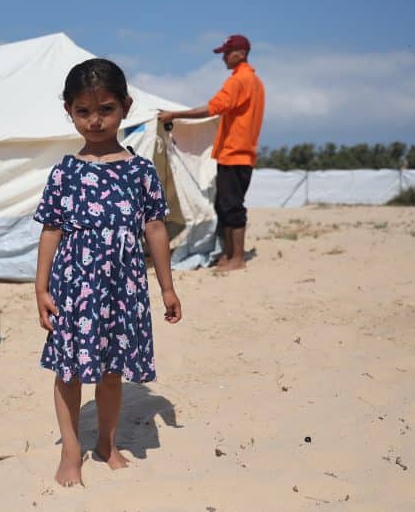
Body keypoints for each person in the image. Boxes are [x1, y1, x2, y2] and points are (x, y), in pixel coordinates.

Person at [34, 58, 182, 487]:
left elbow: (154, 228)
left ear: (125, 106)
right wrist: (40, 287)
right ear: (69, 110)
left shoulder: (140, 170)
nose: (95, 121)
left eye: (106, 110)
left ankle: (107, 442)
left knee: (113, 370)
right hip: (74, 287)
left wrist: (167, 288)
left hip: (124, 288)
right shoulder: (65, 170)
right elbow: (51, 230)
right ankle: (71, 450)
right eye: (83, 111)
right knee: (70, 369)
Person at [157, 34, 265, 271]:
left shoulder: (239, 81)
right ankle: (229, 255)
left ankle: (236, 259)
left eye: (227, 53)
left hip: (235, 153)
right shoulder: (254, 81)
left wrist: (175, 115)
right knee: (224, 204)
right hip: (240, 154)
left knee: (232, 206)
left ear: (241, 54)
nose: (224, 58)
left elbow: (212, 108)